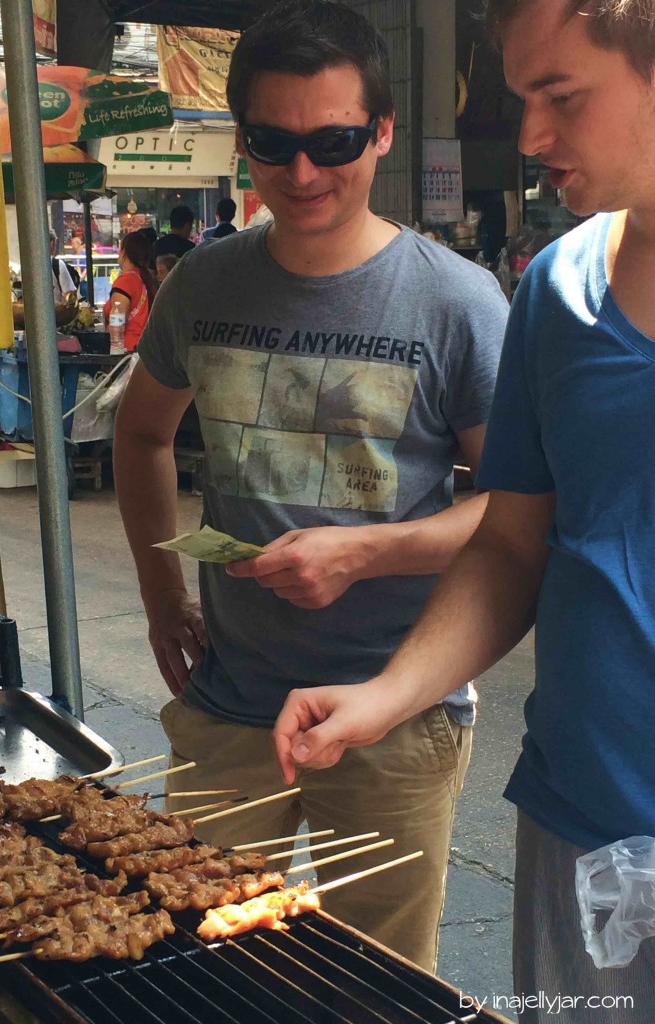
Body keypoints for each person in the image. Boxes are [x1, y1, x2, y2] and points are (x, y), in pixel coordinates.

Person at [273, 0, 655, 1017]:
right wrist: (387, 695)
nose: (530, 138)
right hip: (583, 825)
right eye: (523, 97)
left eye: (561, 96)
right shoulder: (559, 292)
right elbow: (512, 547)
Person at [113, 0, 508, 970]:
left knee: (375, 982)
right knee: (195, 965)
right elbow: (141, 434)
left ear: (381, 131)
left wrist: (366, 550)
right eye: (272, 143)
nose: (302, 174)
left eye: (333, 141)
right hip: (232, 702)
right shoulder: (202, 286)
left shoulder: (456, 303)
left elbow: (519, 505)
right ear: (242, 138)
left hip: (397, 713)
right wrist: (164, 599)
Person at [103, 233, 157, 353]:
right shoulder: (145, 279)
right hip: (143, 350)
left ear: (124, 252)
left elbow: (118, 317)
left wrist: (115, 350)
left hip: (127, 352)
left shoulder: (126, 281)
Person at [48, 229, 78, 304]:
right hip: (56, 314)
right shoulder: (57, 264)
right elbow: (70, 295)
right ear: (52, 243)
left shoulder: (26, 267)